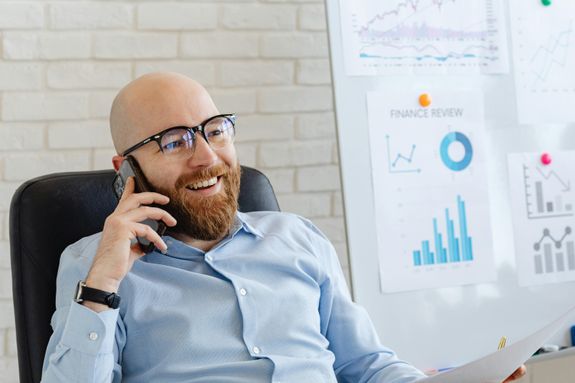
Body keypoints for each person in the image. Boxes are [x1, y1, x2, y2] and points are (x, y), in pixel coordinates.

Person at [41, 72, 526, 382]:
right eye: (173, 142)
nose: (207, 157)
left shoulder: (297, 238)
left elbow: (366, 365)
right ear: (126, 169)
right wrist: (103, 285)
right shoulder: (93, 266)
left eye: (215, 130)